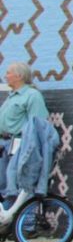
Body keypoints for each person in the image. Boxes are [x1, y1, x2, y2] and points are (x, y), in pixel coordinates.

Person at [0, 62, 49, 208]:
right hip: (4, 145)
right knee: (5, 184)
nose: (5, 76)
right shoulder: (11, 97)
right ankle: (7, 222)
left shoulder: (32, 96)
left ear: (19, 76)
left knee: (21, 185)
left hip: (19, 145)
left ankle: (26, 227)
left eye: (8, 73)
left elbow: (37, 125)